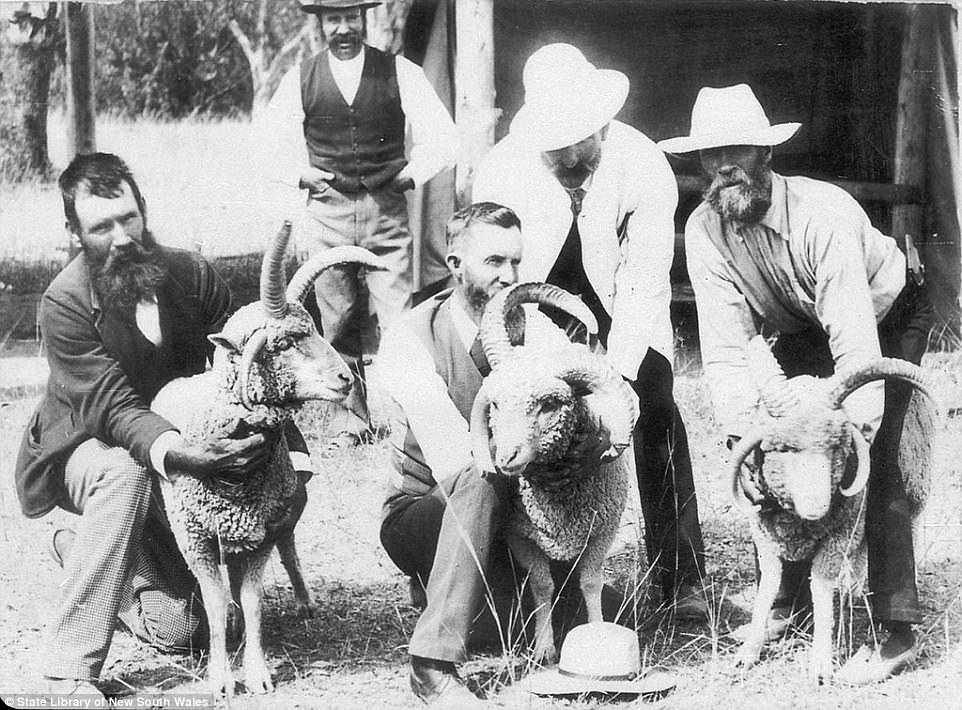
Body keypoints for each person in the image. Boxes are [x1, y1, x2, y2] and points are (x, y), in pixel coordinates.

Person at [658, 83, 933, 684]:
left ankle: (895, 628)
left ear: (767, 156)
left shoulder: (823, 217)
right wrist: (745, 438)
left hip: (884, 315)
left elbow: (857, 349)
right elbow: (728, 355)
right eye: (711, 155)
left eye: (739, 151)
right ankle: (790, 600)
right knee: (780, 445)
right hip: (802, 322)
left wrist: (848, 436)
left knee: (872, 455)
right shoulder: (706, 231)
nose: (724, 166)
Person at [14, 153, 312, 698]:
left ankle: (108, 566)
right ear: (74, 232)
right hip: (89, 443)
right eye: (101, 227)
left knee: (192, 631)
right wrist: (182, 455)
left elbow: (253, 366)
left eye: (129, 218)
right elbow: (113, 407)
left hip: (177, 442)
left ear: (144, 210)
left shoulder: (191, 274)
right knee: (126, 474)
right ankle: (68, 667)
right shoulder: (64, 303)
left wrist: (288, 452)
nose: (122, 237)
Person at [473, 43, 707, 617]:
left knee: (654, 405)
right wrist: (544, 362)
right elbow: (505, 281)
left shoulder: (645, 162)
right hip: (538, 311)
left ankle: (682, 579)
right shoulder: (501, 168)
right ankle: (539, 573)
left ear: (604, 123)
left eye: (582, 142)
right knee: (530, 417)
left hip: (622, 307)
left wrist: (617, 378)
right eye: (557, 149)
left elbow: (646, 280)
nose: (571, 158)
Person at [378, 202, 631, 705]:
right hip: (428, 511)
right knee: (481, 474)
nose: (509, 276)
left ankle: (465, 598)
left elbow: (593, 390)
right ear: (455, 265)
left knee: (603, 611)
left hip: (516, 518)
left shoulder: (533, 328)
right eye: (494, 262)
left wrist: (606, 419)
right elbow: (458, 457)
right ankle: (431, 664)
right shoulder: (411, 337)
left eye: (516, 262)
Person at [265, 0, 457, 453]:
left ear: (364, 19)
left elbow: (444, 136)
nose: (344, 28)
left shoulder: (401, 72)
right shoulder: (301, 78)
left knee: (399, 320)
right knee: (337, 317)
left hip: (386, 212)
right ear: (320, 24)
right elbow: (264, 142)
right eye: (334, 19)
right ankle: (349, 417)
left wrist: (410, 175)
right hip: (327, 213)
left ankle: (405, 417)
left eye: (351, 17)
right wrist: (301, 175)